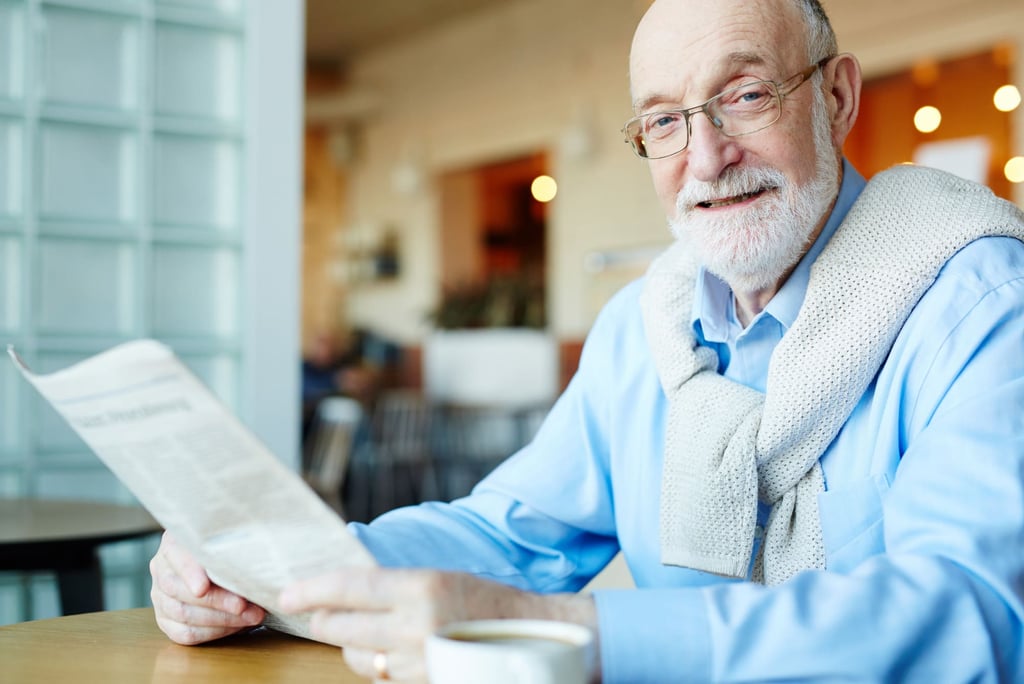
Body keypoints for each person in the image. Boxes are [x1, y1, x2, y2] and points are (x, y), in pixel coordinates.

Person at [149, 0, 1024, 681]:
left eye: (746, 96)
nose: (706, 156)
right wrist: (274, 568)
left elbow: (972, 615)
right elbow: (510, 534)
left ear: (836, 98)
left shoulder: (979, 300)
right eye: (665, 122)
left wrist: (577, 635)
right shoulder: (642, 330)